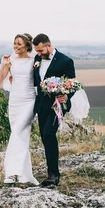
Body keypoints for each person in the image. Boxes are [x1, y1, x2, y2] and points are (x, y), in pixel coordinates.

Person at [0, 34, 39, 185]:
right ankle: (25, 175)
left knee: (18, 133)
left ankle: (12, 173)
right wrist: (3, 65)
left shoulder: (34, 61)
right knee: (20, 136)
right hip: (15, 102)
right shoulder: (10, 61)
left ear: (27, 45)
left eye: (19, 44)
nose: (15, 46)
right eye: (14, 43)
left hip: (29, 101)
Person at [32, 33, 76, 187]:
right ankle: (51, 171)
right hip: (42, 105)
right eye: (36, 51)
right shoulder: (37, 60)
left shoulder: (65, 61)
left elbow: (72, 83)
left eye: (40, 51)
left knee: (48, 133)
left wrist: (66, 95)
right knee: (45, 137)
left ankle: (54, 175)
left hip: (58, 105)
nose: (38, 54)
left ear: (48, 45)